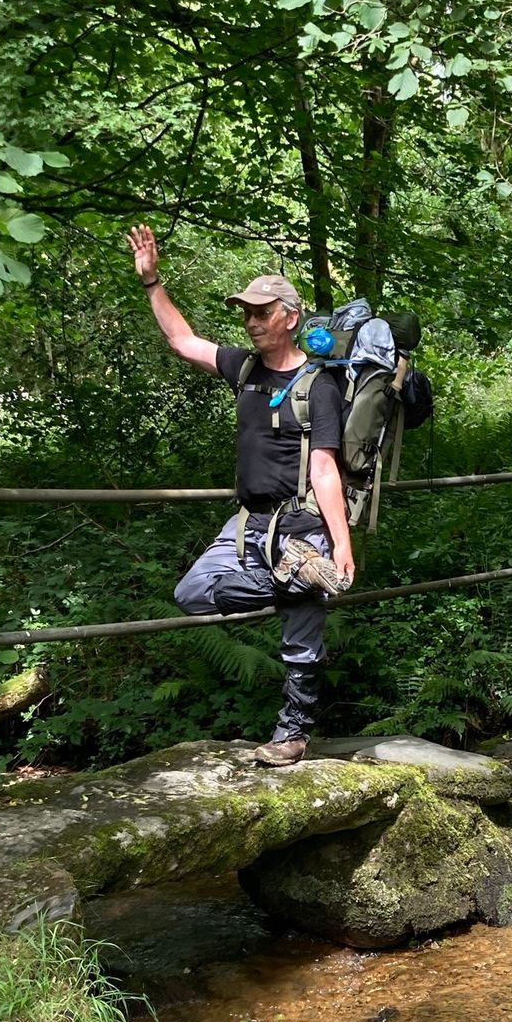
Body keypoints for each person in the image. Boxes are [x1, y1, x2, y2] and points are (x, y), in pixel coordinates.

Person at [126, 223, 355, 766]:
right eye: (247, 313)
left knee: (302, 643)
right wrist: (152, 282)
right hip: (249, 525)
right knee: (192, 595)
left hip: (302, 527)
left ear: (290, 317)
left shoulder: (318, 385)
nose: (252, 322)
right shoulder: (245, 367)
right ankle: (295, 585)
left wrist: (341, 546)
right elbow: (183, 342)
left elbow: (325, 468)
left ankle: (291, 736)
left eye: (262, 312)